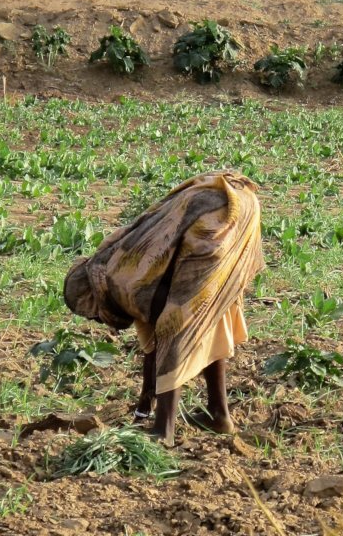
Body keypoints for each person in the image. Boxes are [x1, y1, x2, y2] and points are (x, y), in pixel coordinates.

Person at [63, 171, 264, 446]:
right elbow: (151, 347)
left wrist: (150, 410)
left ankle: (164, 430)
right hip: (238, 203)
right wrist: (144, 404)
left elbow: (166, 332)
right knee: (209, 314)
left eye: (95, 317)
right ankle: (219, 414)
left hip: (217, 215)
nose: (102, 324)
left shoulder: (124, 287)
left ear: (96, 299)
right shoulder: (117, 265)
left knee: (179, 320)